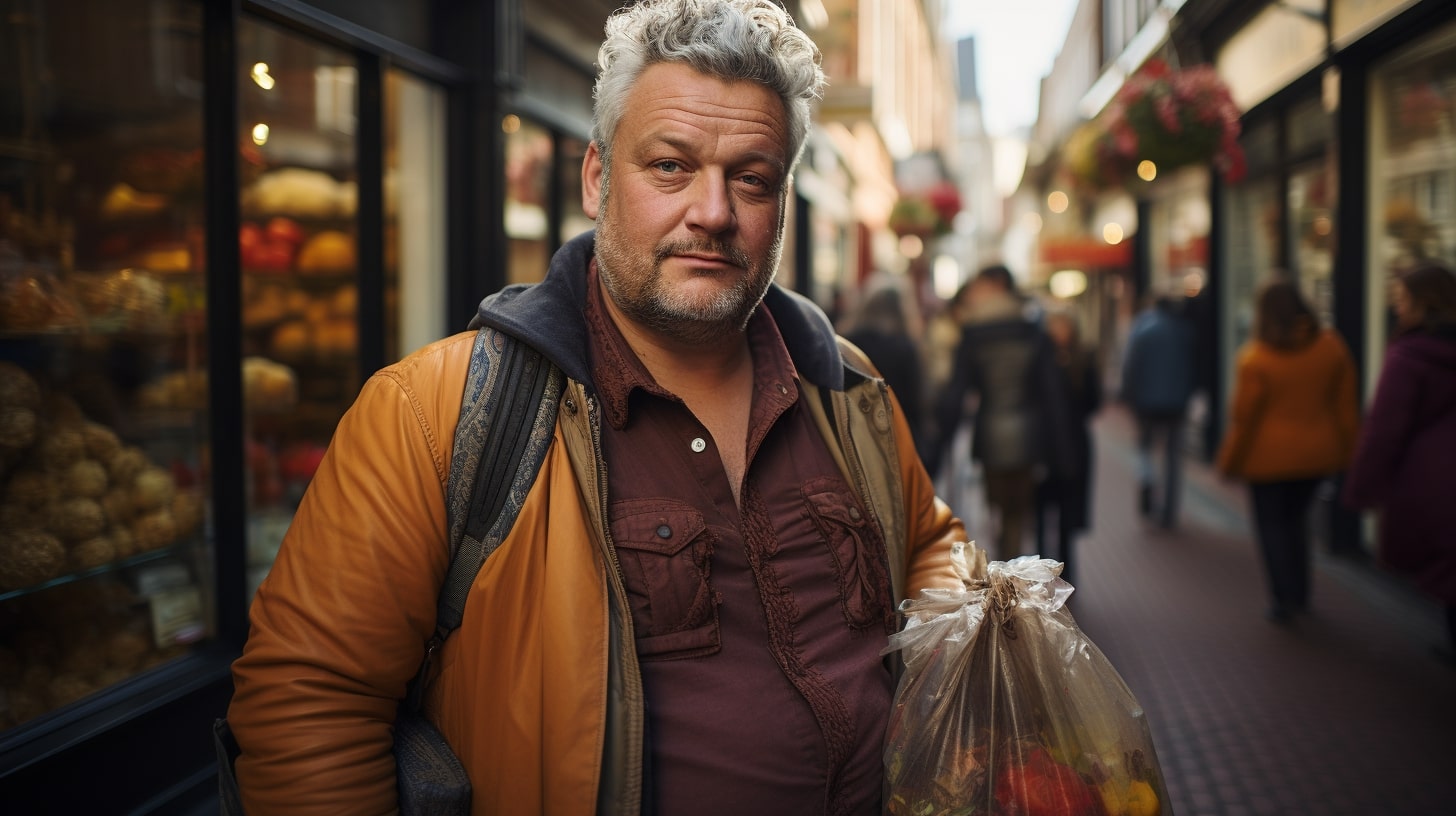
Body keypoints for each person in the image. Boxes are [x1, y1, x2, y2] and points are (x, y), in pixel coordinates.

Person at [224, 2, 964, 814]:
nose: (713, 213)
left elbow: (928, 537)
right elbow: (309, 704)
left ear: (781, 203)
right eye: (670, 167)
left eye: (750, 179)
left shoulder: (846, 388)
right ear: (596, 178)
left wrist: (962, 649)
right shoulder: (430, 414)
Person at [1216, 278, 1359, 623]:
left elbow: (1244, 420)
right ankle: (1301, 593)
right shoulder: (1330, 346)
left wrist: (1229, 462)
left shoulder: (1256, 358)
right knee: (1297, 523)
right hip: (1316, 456)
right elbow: (1345, 407)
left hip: (1267, 460)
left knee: (1272, 528)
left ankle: (1284, 599)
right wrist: (1347, 453)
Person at [1342, 260, 1456, 662]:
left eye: (1402, 299)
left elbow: (1384, 428)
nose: (1397, 307)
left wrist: (1360, 488)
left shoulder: (1409, 355)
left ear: (1424, 303)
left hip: (1433, 481)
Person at [926, 265, 1071, 561]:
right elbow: (1052, 394)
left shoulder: (974, 333)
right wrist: (1063, 452)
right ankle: (1011, 563)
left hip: (990, 434)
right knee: (1018, 515)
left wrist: (937, 444)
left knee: (996, 506)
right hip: (1029, 435)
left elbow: (956, 392)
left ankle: (1002, 567)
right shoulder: (1033, 330)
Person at [1034, 306, 1103, 585]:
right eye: (1054, 325)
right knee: (1040, 510)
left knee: (1067, 513)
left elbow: (1094, 401)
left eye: (1063, 326)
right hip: (1043, 445)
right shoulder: (1039, 358)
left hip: (1074, 444)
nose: (1058, 332)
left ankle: (1066, 570)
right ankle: (1039, 568)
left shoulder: (1084, 359)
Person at [1120, 292, 1198, 529]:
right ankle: (1169, 510)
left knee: (1146, 449)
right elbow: (1194, 366)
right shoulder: (1184, 330)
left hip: (1146, 402)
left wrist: (1129, 397)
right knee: (1173, 457)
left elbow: (1131, 365)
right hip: (1176, 402)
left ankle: (1147, 493)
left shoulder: (1143, 328)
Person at [843, 282, 926, 451]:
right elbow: (914, 400)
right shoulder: (905, 347)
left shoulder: (849, 342)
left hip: (856, 434)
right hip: (898, 433)